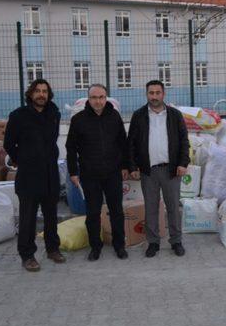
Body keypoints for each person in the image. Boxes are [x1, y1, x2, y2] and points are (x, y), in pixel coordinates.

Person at [4, 79, 65, 272]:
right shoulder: (18, 116)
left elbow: (53, 139)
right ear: (30, 94)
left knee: (51, 215)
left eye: (45, 91)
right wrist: (20, 159)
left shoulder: (54, 114)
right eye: (37, 91)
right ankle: (27, 254)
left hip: (50, 172)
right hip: (29, 174)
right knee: (28, 217)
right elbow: (8, 143)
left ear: (49, 94)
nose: (41, 94)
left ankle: (52, 248)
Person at [66, 84, 129, 261]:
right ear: (89, 99)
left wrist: (125, 166)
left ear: (106, 98)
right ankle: (95, 247)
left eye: (101, 97)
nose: (98, 101)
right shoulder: (78, 119)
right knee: (93, 213)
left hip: (113, 173)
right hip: (89, 174)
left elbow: (122, 143)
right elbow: (71, 148)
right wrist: (73, 172)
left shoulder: (114, 116)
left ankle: (119, 246)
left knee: (116, 211)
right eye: (94, 97)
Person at [128, 80, 190, 258]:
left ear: (164, 94)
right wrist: (133, 166)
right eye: (151, 93)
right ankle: (153, 243)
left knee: (173, 208)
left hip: (171, 170)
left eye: (157, 93)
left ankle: (176, 241)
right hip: (148, 171)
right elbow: (130, 143)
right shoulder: (138, 116)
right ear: (146, 94)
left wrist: (182, 163)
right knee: (151, 208)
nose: (154, 96)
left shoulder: (175, 115)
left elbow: (184, 141)